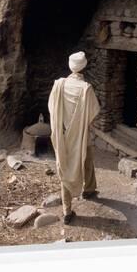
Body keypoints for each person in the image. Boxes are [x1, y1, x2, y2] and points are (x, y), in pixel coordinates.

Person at [48, 51, 101, 224]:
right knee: (86, 158)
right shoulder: (86, 89)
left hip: (62, 136)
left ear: (70, 66)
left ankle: (67, 211)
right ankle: (89, 189)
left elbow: (51, 107)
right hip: (80, 135)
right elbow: (94, 111)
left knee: (64, 166)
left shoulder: (59, 85)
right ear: (84, 65)